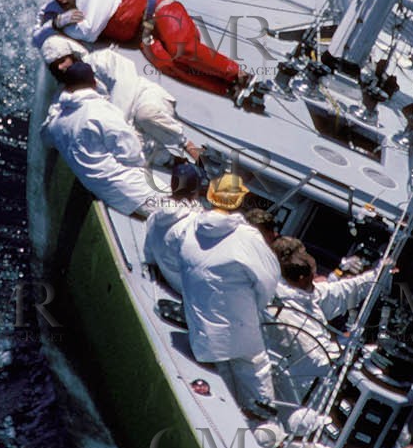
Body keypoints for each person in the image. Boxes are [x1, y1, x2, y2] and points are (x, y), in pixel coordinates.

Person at [35, 0, 243, 97]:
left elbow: (89, 32)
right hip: (145, 36)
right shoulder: (63, 5)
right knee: (171, 66)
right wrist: (57, 22)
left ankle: (239, 74)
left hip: (160, 12)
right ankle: (227, 89)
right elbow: (37, 32)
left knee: (183, 51)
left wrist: (62, 24)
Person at [176, 173, 280, 419]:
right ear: (240, 201)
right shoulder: (249, 237)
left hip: (201, 337)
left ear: (211, 196)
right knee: (255, 364)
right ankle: (262, 419)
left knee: (224, 371)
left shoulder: (189, 226)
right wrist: (253, 307)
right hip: (241, 335)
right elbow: (269, 282)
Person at [40, 34, 201, 165]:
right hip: (123, 123)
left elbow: (125, 88)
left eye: (62, 61)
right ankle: (174, 163)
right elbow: (47, 132)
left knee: (146, 115)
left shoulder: (103, 59)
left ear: (72, 54)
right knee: (130, 146)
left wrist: (119, 126)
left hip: (142, 98)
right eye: (54, 66)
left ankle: (187, 145)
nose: (60, 67)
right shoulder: (65, 93)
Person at [266, 238, 378, 406]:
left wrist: (379, 273)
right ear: (302, 278)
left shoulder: (294, 290)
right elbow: (322, 360)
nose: (316, 280)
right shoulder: (289, 313)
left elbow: (343, 291)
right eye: (312, 277)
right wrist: (353, 343)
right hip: (291, 394)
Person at [40, 62, 152, 218]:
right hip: (130, 189)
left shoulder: (57, 122)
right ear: (94, 82)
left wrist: (56, 109)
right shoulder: (101, 110)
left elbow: (45, 138)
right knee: (182, 209)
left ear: (67, 87)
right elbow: (132, 153)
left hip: (100, 190)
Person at [143, 161, 204, 292]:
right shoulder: (192, 226)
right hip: (188, 289)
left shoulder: (154, 217)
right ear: (195, 191)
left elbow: (149, 255)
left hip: (170, 278)